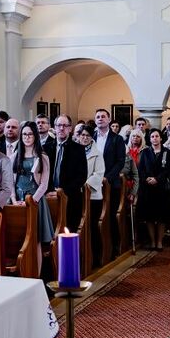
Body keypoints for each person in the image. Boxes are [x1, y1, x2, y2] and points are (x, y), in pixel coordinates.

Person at [12, 121, 54, 268]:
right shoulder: (15, 155)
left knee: (36, 239)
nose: (27, 137)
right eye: (24, 134)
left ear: (35, 136)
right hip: (18, 200)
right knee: (20, 238)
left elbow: (44, 184)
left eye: (30, 134)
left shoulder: (42, 157)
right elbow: (10, 182)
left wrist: (31, 201)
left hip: (35, 201)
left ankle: (36, 273)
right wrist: (14, 200)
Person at [94, 108, 127, 255]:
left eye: (103, 116)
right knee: (95, 216)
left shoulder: (117, 139)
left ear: (108, 119)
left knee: (111, 215)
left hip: (111, 183)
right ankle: (97, 249)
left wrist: (107, 177)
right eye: (98, 117)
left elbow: (120, 162)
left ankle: (114, 247)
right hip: (94, 183)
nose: (100, 119)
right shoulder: (91, 137)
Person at [52, 114, 89, 231]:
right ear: (55, 127)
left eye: (65, 125)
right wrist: (49, 191)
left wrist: (63, 191)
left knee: (69, 231)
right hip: (49, 196)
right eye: (59, 125)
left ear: (70, 128)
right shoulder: (46, 148)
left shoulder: (78, 149)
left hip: (70, 197)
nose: (61, 128)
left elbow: (81, 176)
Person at [137, 129, 170, 250]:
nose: (155, 138)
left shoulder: (167, 152)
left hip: (161, 188)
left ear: (161, 138)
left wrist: (157, 179)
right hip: (147, 188)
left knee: (161, 217)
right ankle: (152, 241)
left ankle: (159, 242)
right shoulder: (145, 152)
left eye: (157, 136)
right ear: (150, 139)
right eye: (152, 136)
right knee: (149, 217)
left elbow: (167, 170)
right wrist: (147, 178)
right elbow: (141, 169)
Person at [76, 124, 106, 266]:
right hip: (77, 194)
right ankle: (81, 257)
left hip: (92, 195)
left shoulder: (97, 153)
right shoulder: (74, 150)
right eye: (82, 135)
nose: (85, 138)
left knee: (92, 226)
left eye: (88, 136)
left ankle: (96, 257)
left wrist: (85, 184)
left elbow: (98, 173)